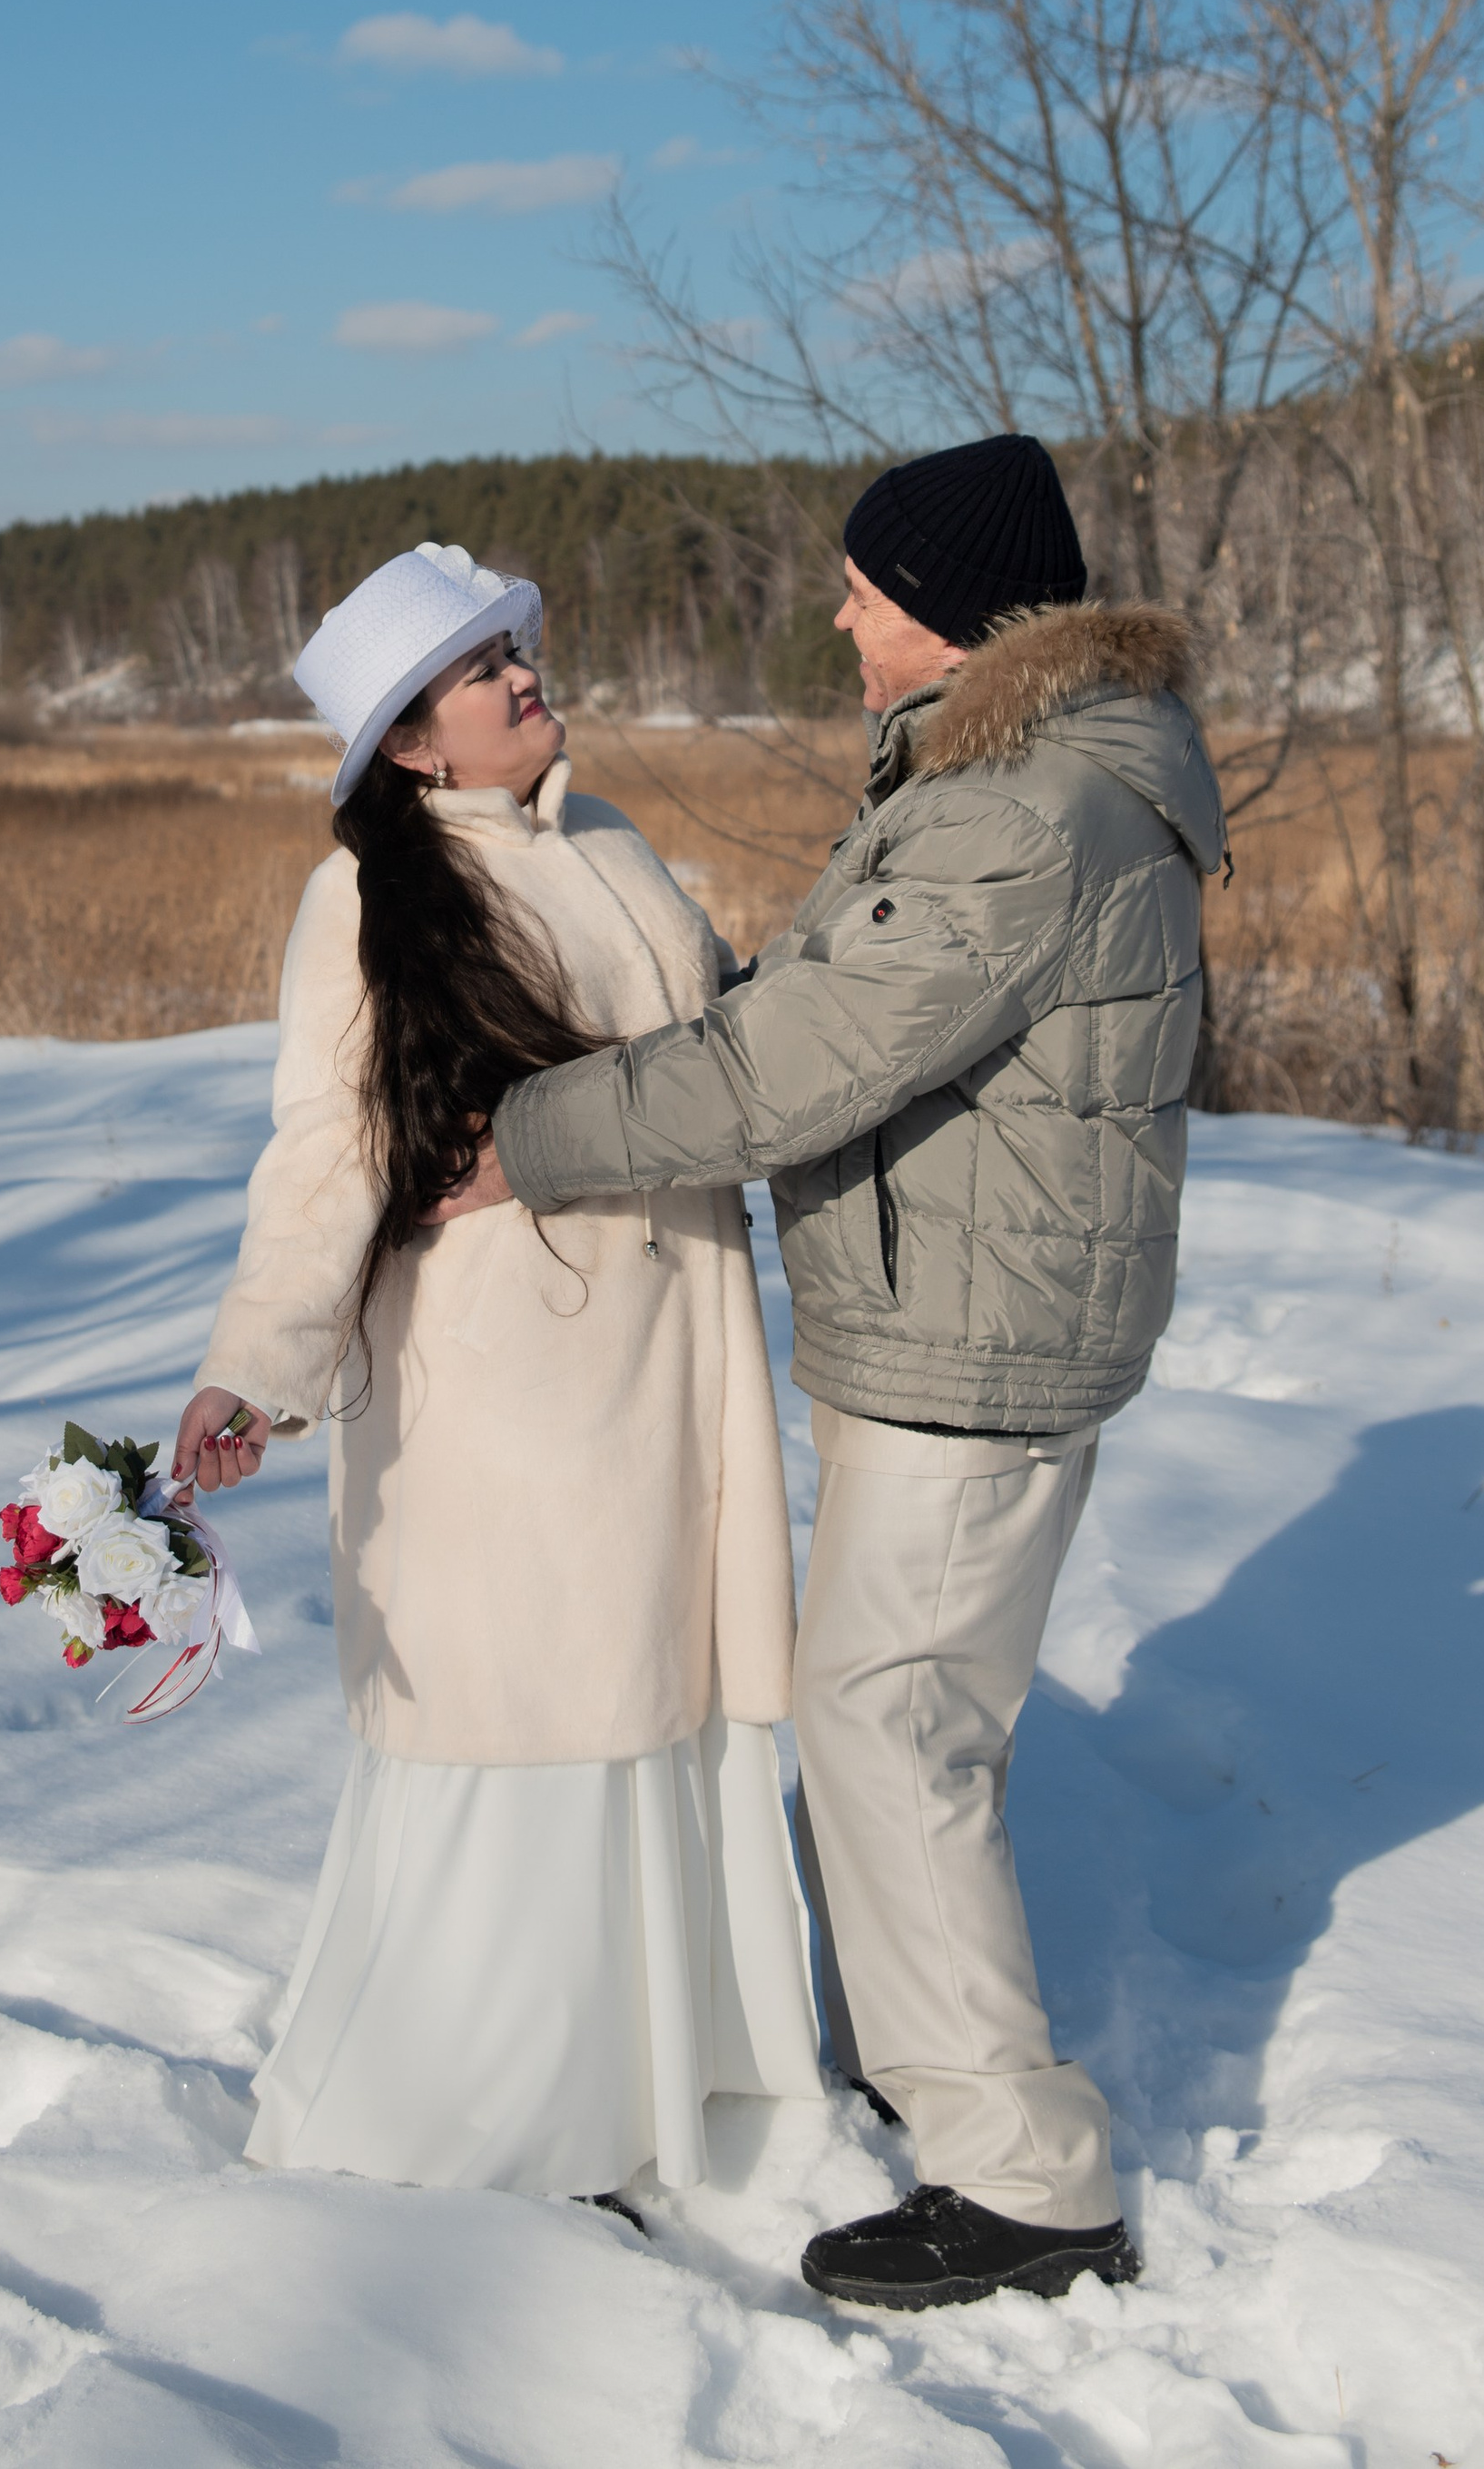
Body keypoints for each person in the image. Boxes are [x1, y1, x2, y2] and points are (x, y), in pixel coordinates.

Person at [434, 434, 1226, 2310]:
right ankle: (915, 2027)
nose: (842, 611)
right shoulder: (1035, 777)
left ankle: (1023, 2174)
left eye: (866, 583)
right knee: (906, 1714)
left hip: (978, 1336)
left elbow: (795, 1061)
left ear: (951, 608)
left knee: (888, 1726)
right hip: (979, 1310)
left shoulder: (1017, 812)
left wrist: (524, 1138)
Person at [172, 539, 823, 2209]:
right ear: (410, 739)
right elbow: (328, 1152)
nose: (527, 676)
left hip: (672, 1360)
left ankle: (651, 2086)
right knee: (546, 1708)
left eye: (520, 647)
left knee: (654, 1702)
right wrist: (253, 1366)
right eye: (483, 670)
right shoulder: (370, 896)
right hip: (508, 1392)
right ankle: (496, 2116)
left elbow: (720, 1050)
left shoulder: (604, 839)